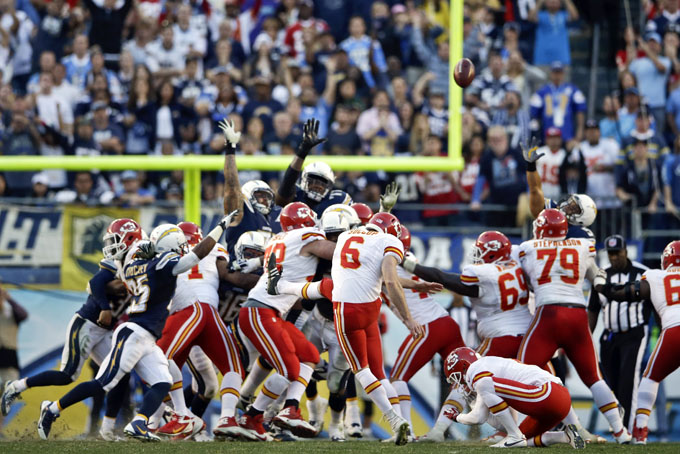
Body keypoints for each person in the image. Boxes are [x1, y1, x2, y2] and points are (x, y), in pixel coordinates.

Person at [35, 213, 239, 441]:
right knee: (103, 383)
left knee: (163, 382)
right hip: (134, 333)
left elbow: (139, 259)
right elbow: (193, 258)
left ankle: (140, 422)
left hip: (147, 337)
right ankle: (52, 409)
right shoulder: (162, 265)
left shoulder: (132, 265)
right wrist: (220, 227)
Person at [1, 218, 140, 441]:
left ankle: (107, 429)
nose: (111, 244)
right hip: (88, 323)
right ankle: (16, 386)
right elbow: (96, 283)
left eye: (115, 239)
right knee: (67, 375)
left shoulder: (140, 263)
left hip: (106, 330)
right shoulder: (115, 262)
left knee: (120, 375)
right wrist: (106, 305)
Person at [404, 230, 531, 441]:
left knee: (463, 382)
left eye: (482, 250)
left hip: (501, 336)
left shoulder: (485, 275)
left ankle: (438, 430)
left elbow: (445, 278)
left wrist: (408, 265)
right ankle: (565, 427)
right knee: (538, 382)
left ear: (492, 254)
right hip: (527, 337)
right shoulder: (518, 267)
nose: (478, 254)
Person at [518, 209, 631, 444]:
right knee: (593, 377)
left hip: (548, 314)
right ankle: (621, 432)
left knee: (521, 370)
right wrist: (601, 286)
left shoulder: (529, 248)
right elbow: (596, 274)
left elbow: (528, 282)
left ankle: (518, 430)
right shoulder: (582, 245)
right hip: (577, 314)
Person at [152, 221, 258, 440]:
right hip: (208, 309)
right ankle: (226, 417)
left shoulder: (166, 255)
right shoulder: (215, 249)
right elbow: (228, 275)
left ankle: (165, 418)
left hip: (183, 311)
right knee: (233, 367)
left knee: (157, 363)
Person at [237, 202, 332, 441]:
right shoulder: (305, 236)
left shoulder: (281, 239)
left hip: (272, 313)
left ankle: (289, 408)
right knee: (289, 369)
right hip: (260, 312)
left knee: (309, 355)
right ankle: (252, 417)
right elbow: (332, 251)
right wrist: (360, 244)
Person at [330, 213, 420, 445]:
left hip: (347, 309)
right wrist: (408, 318)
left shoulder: (344, 235)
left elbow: (383, 277)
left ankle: (394, 420)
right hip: (370, 311)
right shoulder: (390, 241)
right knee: (379, 374)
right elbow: (389, 279)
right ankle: (404, 428)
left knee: (360, 370)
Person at [595, 240, 680, 444]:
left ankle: (640, 429)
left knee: (650, 378)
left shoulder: (655, 275)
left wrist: (602, 287)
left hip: (674, 328)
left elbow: (627, 293)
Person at [442, 347, 584, 449]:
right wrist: (475, 403)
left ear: (465, 366)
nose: (460, 384)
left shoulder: (476, 370)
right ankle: (565, 436)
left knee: (515, 436)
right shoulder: (489, 366)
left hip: (548, 393)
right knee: (523, 437)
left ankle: (514, 437)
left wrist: (457, 417)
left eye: (457, 378)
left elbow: (477, 417)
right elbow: (500, 421)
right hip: (560, 401)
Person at [588, 235, 652, 431]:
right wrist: (586, 337)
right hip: (609, 336)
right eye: (611, 254)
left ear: (626, 251)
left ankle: (630, 429)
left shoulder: (643, 273)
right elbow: (593, 309)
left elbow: (653, 305)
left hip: (634, 333)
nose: (614, 257)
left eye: (618, 253)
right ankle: (619, 424)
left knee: (628, 379)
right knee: (610, 382)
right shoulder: (601, 275)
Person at [219, 119, 281, 258]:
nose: (264, 200)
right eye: (259, 196)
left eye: (267, 196)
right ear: (247, 197)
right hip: (242, 271)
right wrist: (230, 149)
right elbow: (231, 188)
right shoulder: (242, 213)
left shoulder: (277, 215)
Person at [276, 118, 352, 217]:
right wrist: (302, 152)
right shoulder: (296, 194)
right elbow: (287, 184)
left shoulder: (337, 200)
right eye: (313, 181)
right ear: (304, 180)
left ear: (329, 186)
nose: (317, 185)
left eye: (322, 183)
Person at [529, 62, 586, 143]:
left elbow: (580, 111)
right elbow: (534, 115)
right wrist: (536, 136)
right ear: (551, 74)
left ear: (563, 74)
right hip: (547, 137)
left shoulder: (572, 89)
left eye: (559, 72)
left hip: (567, 136)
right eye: (555, 72)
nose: (557, 75)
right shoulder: (542, 91)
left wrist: (579, 132)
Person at [0, 282, 28, 436]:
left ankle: (0, 426)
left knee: (8, 395)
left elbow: (23, 314)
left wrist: (8, 298)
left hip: (9, 358)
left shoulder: (11, 315)